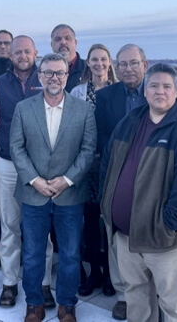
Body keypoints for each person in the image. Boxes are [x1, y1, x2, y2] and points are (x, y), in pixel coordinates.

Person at [100, 63, 177, 322]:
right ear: (145, 91)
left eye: (166, 86)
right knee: (137, 300)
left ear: (176, 91)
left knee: (176, 307)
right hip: (126, 236)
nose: (160, 91)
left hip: (166, 241)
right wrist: (109, 206)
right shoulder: (130, 121)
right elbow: (108, 163)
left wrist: (167, 226)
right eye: (154, 86)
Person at [11, 53, 97, 322]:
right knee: (34, 253)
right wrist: (35, 180)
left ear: (67, 76)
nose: (54, 78)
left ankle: (67, 304)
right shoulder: (23, 108)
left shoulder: (83, 110)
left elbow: (88, 150)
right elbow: (17, 148)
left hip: (69, 194)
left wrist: (67, 179)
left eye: (59, 73)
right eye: (48, 72)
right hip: (33, 193)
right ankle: (34, 303)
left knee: (70, 254)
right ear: (39, 76)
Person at [0, 36, 56, 308]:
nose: (23, 55)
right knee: (10, 226)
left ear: (35, 52)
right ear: (9, 55)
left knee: (41, 229)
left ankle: (43, 283)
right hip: (9, 164)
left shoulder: (48, 80)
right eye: (17, 52)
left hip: (42, 166)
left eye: (27, 51)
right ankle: (10, 283)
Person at [94, 43, 148, 320]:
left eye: (134, 63)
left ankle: (149, 293)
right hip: (117, 176)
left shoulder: (158, 92)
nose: (128, 68)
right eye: (123, 64)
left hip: (151, 178)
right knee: (116, 239)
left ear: (144, 64)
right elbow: (101, 139)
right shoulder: (105, 97)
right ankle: (123, 295)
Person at [69, 44, 118, 297]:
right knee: (89, 222)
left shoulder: (118, 91)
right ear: (87, 63)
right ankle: (95, 272)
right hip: (87, 164)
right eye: (94, 59)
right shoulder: (78, 92)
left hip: (112, 165)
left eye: (103, 59)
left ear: (110, 63)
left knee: (110, 222)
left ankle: (112, 275)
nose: (99, 63)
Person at [50, 24, 84, 91]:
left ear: (75, 43)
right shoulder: (43, 73)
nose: (63, 42)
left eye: (67, 38)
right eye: (58, 39)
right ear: (51, 45)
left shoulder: (89, 70)